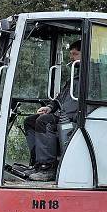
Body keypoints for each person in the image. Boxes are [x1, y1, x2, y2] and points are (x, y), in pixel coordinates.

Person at [23, 40, 81, 182]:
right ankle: (37, 163)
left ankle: (48, 168)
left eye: (75, 54)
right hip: (62, 114)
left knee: (44, 122)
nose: (72, 58)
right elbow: (60, 98)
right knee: (30, 121)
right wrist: (49, 107)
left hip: (75, 119)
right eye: (71, 54)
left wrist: (63, 114)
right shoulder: (74, 78)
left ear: (85, 54)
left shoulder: (93, 77)